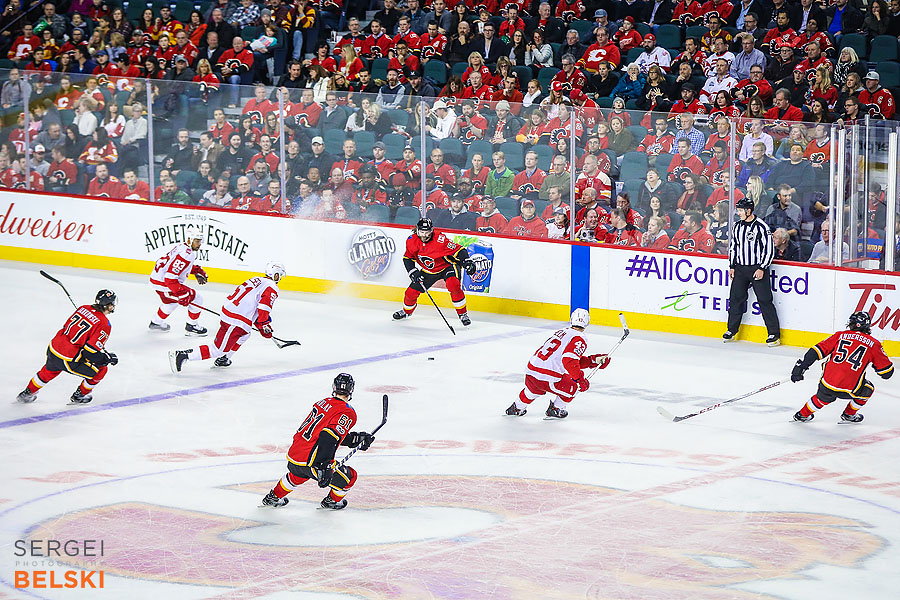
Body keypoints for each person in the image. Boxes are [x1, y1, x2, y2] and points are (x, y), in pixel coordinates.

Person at [260, 373, 375, 510]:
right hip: (313, 461)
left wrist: (355, 439)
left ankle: (274, 496)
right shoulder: (347, 412)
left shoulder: (323, 403)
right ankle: (331, 501)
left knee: (297, 476)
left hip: (295, 457)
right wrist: (324, 466)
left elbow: (324, 432)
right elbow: (328, 437)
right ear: (351, 389)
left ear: (334, 387)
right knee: (350, 477)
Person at [170, 262, 285, 371]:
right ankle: (182, 355)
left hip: (231, 312)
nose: (279, 278)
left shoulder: (257, 279)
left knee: (245, 334)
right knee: (217, 349)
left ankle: (224, 358)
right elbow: (263, 307)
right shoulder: (272, 287)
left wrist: (261, 323)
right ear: (276, 275)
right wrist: (264, 325)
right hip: (236, 319)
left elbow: (252, 304)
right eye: (279, 275)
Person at [17, 289, 119, 405]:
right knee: (101, 369)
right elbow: (89, 353)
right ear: (109, 305)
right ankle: (80, 395)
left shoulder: (83, 308)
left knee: (50, 369)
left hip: (53, 348)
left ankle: (27, 393)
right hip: (68, 359)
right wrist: (107, 358)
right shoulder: (104, 324)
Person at [506, 308, 610, 419]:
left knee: (532, 390)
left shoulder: (562, 332)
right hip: (548, 377)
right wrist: (579, 379)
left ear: (571, 319)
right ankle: (556, 409)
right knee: (576, 386)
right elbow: (569, 361)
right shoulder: (580, 338)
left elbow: (565, 358)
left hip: (531, 371)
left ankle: (517, 407)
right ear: (587, 322)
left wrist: (592, 361)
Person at [791, 312, 894, 423]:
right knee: (868, 389)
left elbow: (816, 351)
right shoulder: (874, 344)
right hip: (850, 388)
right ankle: (849, 415)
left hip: (827, 383)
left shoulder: (840, 335)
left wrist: (801, 367)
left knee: (823, 397)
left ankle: (802, 415)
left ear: (851, 323)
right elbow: (887, 373)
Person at [393, 218, 477, 327]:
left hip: (447, 266)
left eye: (427, 232)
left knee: (453, 285)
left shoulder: (440, 239)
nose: (424, 235)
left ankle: (463, 314)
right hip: (429, 270)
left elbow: (459, 250)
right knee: (410, 292)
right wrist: (413, 272)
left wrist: (466, 261)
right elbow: (408, 258)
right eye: (421, 232)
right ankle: (406, 312)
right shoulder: (411, 240)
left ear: (431, 230)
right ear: (417, 230)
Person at [724, 197, 780, 346]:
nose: (739, 213)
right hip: (740, 268)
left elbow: (768, 249)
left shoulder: (761, 227)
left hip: (757, 268)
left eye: (741, 210)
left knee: (765, 300)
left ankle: (774, 334)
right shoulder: (737, 226)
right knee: (735, 299)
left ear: (749, 211)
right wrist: (732, 265)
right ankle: (731, 330)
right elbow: (733, 247)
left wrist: (762, 267)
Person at [148, 226, 209, 335]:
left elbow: (176, 266)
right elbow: (170, 278)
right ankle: (192, 326)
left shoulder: (182, 247)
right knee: (197, 298)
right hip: (164, 284)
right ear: (190, 240)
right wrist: (182, 294)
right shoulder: (186, 254)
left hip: (158, 280)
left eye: (200, 241)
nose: (199, 244)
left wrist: (196, 271)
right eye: (197, 241)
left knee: (171, 303)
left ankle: (156, 323)